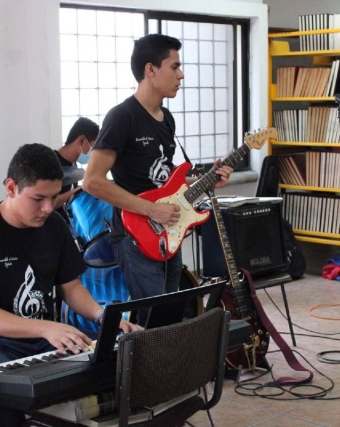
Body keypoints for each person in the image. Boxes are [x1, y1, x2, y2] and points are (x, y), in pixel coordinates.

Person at [0, 143, 140, 427]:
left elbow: (72, 288)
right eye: (38, 198)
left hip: (44, 339)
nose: (47, 208)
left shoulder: (54, 225)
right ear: (11, 187)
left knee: (115, 357)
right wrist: (46, 327)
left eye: (53, 198)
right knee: (2, 392)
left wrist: (104, 317)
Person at [82, 34, 233, 326]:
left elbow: (166, 183)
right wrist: (150, 209)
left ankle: (169, 371)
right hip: (135, 234)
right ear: (150, 70)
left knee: (170, 313)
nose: (181, 74)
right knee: (153, 322)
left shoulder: (167, 118)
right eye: (174, 67)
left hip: (168, 229)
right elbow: (92, 181)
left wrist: (205, 181)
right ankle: (146, 372)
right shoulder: (122, 117)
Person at [54, 117, 100, 222]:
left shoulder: (73, 164)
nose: (93, 152)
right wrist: (80, 191)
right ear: (82, 140)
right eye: (92, 147)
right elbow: (47, 203)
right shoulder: (52, 162)